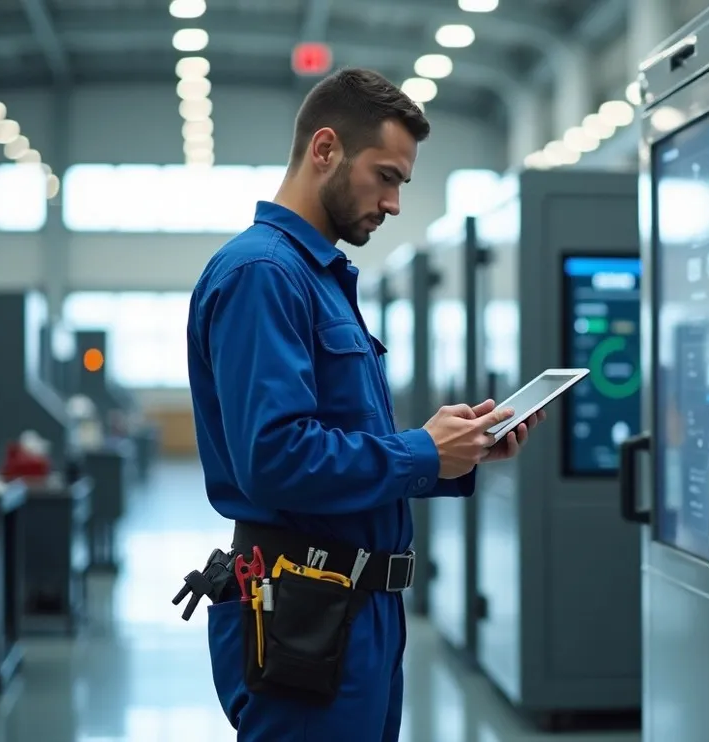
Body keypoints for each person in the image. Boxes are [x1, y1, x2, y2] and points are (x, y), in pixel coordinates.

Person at [186, 68, 543, 742]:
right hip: (305, 611)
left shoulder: (320, 279)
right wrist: (420, 452)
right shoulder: (264, 274)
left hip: (358, 614)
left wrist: (454, 455)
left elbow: (345, 450)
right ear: (325, 150)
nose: (396, 202)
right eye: (387, 176)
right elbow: (275, 458)